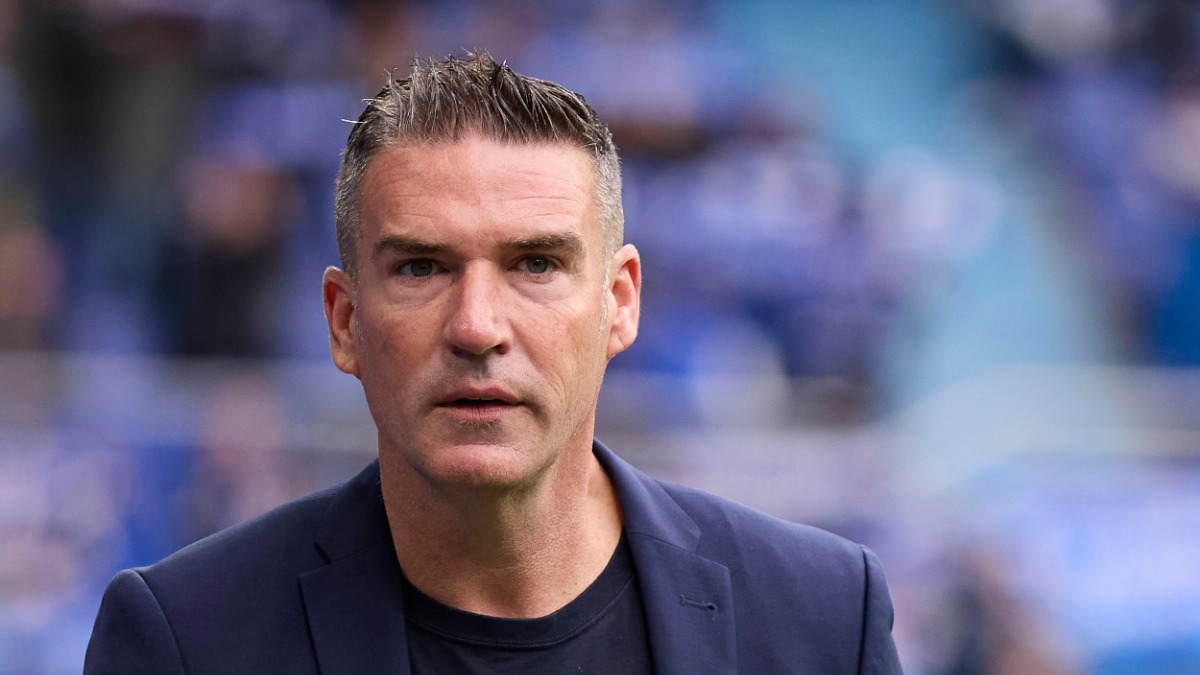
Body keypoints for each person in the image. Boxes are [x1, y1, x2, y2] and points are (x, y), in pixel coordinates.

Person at [84, 54, 903, 674]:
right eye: (421, 267)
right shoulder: (188, 638)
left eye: (536, 264)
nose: (477, 326)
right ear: (343, 320)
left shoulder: (823, 617)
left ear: (620, 303)